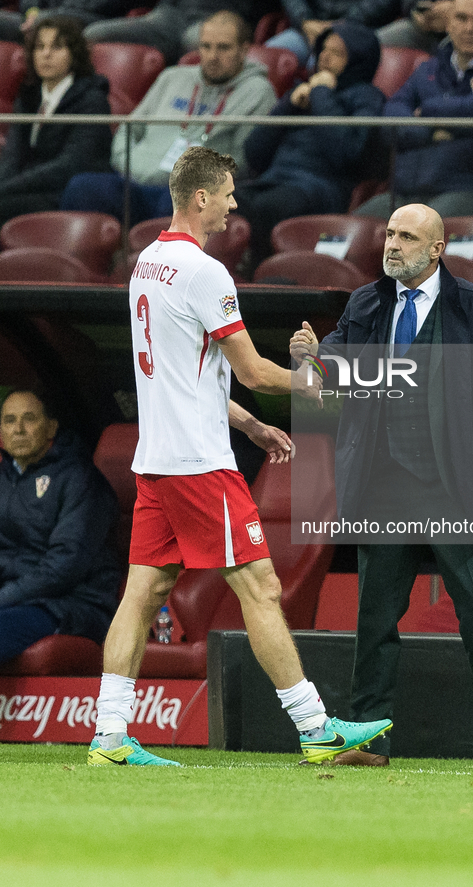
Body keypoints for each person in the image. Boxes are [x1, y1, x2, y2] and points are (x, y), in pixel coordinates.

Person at [87, 144, 392, 766]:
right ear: (200, 197)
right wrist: (321, 378)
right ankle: (316, 730)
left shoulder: (146, 264)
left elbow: (176, 377)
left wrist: (249, 424)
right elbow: (252, 370)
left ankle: (109, 735)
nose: (233, 204)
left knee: (141, 593)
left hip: (157, 460)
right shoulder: (206, 273)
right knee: (260, 584)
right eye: (226, 192)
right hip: (200, 466)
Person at [290, 203, 473, 769]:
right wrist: (309, 361)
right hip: (383, 487)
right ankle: (368, 744)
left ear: (437, 249)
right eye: (389, 233)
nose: (391, 244)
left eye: (406, 236)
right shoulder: (367, 302)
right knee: (374, 621)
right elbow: (333, 380)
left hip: (458, 490)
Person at [60, 10, 276, 227]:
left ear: (244, 50)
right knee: (82, 187)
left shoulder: (258, 91)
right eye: (206, 46)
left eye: (223, 47)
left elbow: (245, 159)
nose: (212, 56)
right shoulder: (172, 77)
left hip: (189, 192)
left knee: (182, 203)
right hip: (134, 181)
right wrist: (127, 164)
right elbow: (129, 129)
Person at [355, 0, 473, 219]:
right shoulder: (428, 68)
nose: (469, 28)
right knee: (343, 238)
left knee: (423, 240)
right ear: (448, 23)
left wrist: (426, 111)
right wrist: (430, 131)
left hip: (466, 189)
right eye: (461, 18)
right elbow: (392, 115)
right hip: (403, 190)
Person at [234, 20, 384, 270]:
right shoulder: (304, 92)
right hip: (274, 180)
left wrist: (321, 94)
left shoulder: (367, 97)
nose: (325, 57)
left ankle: (261, 275)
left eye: (337, 53)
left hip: (321, 186)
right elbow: (254, 154)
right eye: (323, 49)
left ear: (359, 59)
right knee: (224, 199)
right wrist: (287, 106)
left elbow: (344, 153)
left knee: (270, 206)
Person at [0, 389, 120, 665]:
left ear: (51, 426)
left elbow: (65, 565)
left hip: (72, 603)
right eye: (9, 420)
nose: (18, 429)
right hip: (13, 601)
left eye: (29, 419)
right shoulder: (3, 479)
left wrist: (4, 597)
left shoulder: (80, 480)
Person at [0, 16, 112, 228]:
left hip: (65, 192)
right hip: (25, 188)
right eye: (40, 47)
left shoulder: (92, 99)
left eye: (57, 47)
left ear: (74, 54)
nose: (46, 54)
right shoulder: (28, 96)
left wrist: (9, 187)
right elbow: (12, 155)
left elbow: (72, 164)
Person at [82, 1, 275, 65]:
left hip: (216, 18)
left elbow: (260, 9)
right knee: (94, 34)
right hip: (168, 16)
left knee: (196, 41)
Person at [267, 0, 396, 66]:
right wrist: (305, 20)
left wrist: (344, 23)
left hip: (357, 28)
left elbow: (382, 4)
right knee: (267, 56)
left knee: (320, 61)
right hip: (311, 27)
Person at [0, 1, 137, 43]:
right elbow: (30, 2)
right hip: (41, 16)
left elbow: (103, 5)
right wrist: (32, 12)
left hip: (94, 18)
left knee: (45, 21)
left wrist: (51, 14)